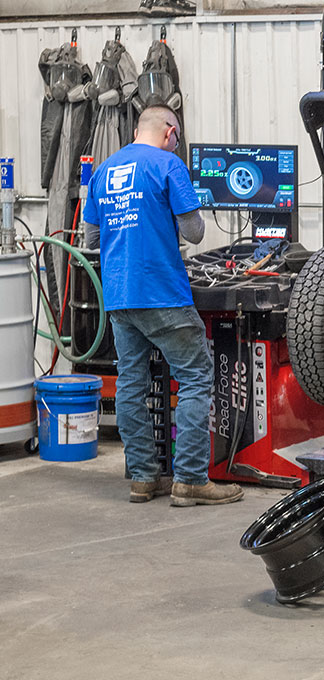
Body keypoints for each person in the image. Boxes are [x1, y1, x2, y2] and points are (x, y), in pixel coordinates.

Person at [82, 105, 242, 506]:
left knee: (132, 384)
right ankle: (189, 479)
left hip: (119, 295)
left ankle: (142, 478)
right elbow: (194, 229)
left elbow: (89, 239)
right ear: (171, 132)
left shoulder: (103, 171)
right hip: (162, 292)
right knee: (194, 377)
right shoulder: (168, 165)